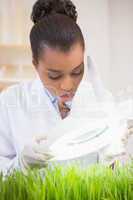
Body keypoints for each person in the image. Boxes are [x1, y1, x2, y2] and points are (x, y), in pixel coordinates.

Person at [0, 0, 128, 175]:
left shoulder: (100, 99)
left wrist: (114, 154)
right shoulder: (10, 102)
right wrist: (19, 166)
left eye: (77, 71)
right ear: (35, 64)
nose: (68, 85)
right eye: (54, 75)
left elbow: (115, 178)